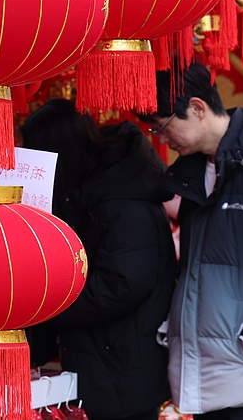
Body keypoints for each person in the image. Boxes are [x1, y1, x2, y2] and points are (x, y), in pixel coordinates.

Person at [140, 62, 243, 420]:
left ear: (198, 108)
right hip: (212, 374)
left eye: (164, 125)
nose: (161, 138)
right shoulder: (196, 171)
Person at [21, 99, 176, 420]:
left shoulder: (122, 199)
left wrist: (48, 306)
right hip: (104, 357)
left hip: (122, 362)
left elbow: (121, 283)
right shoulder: (93, 192)